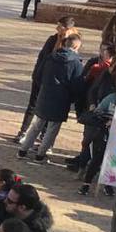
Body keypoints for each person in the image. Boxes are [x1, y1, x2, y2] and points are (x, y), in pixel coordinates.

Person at [20, 32, 83, 163]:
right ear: (76, 46)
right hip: (61, 99)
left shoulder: (51, 57)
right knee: (52, 129)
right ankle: (40, 155)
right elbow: (77, 84)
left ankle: (23, 150)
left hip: (45, 94)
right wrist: (73, 98)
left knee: (37, 125)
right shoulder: (76, 63)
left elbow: (39, 75)